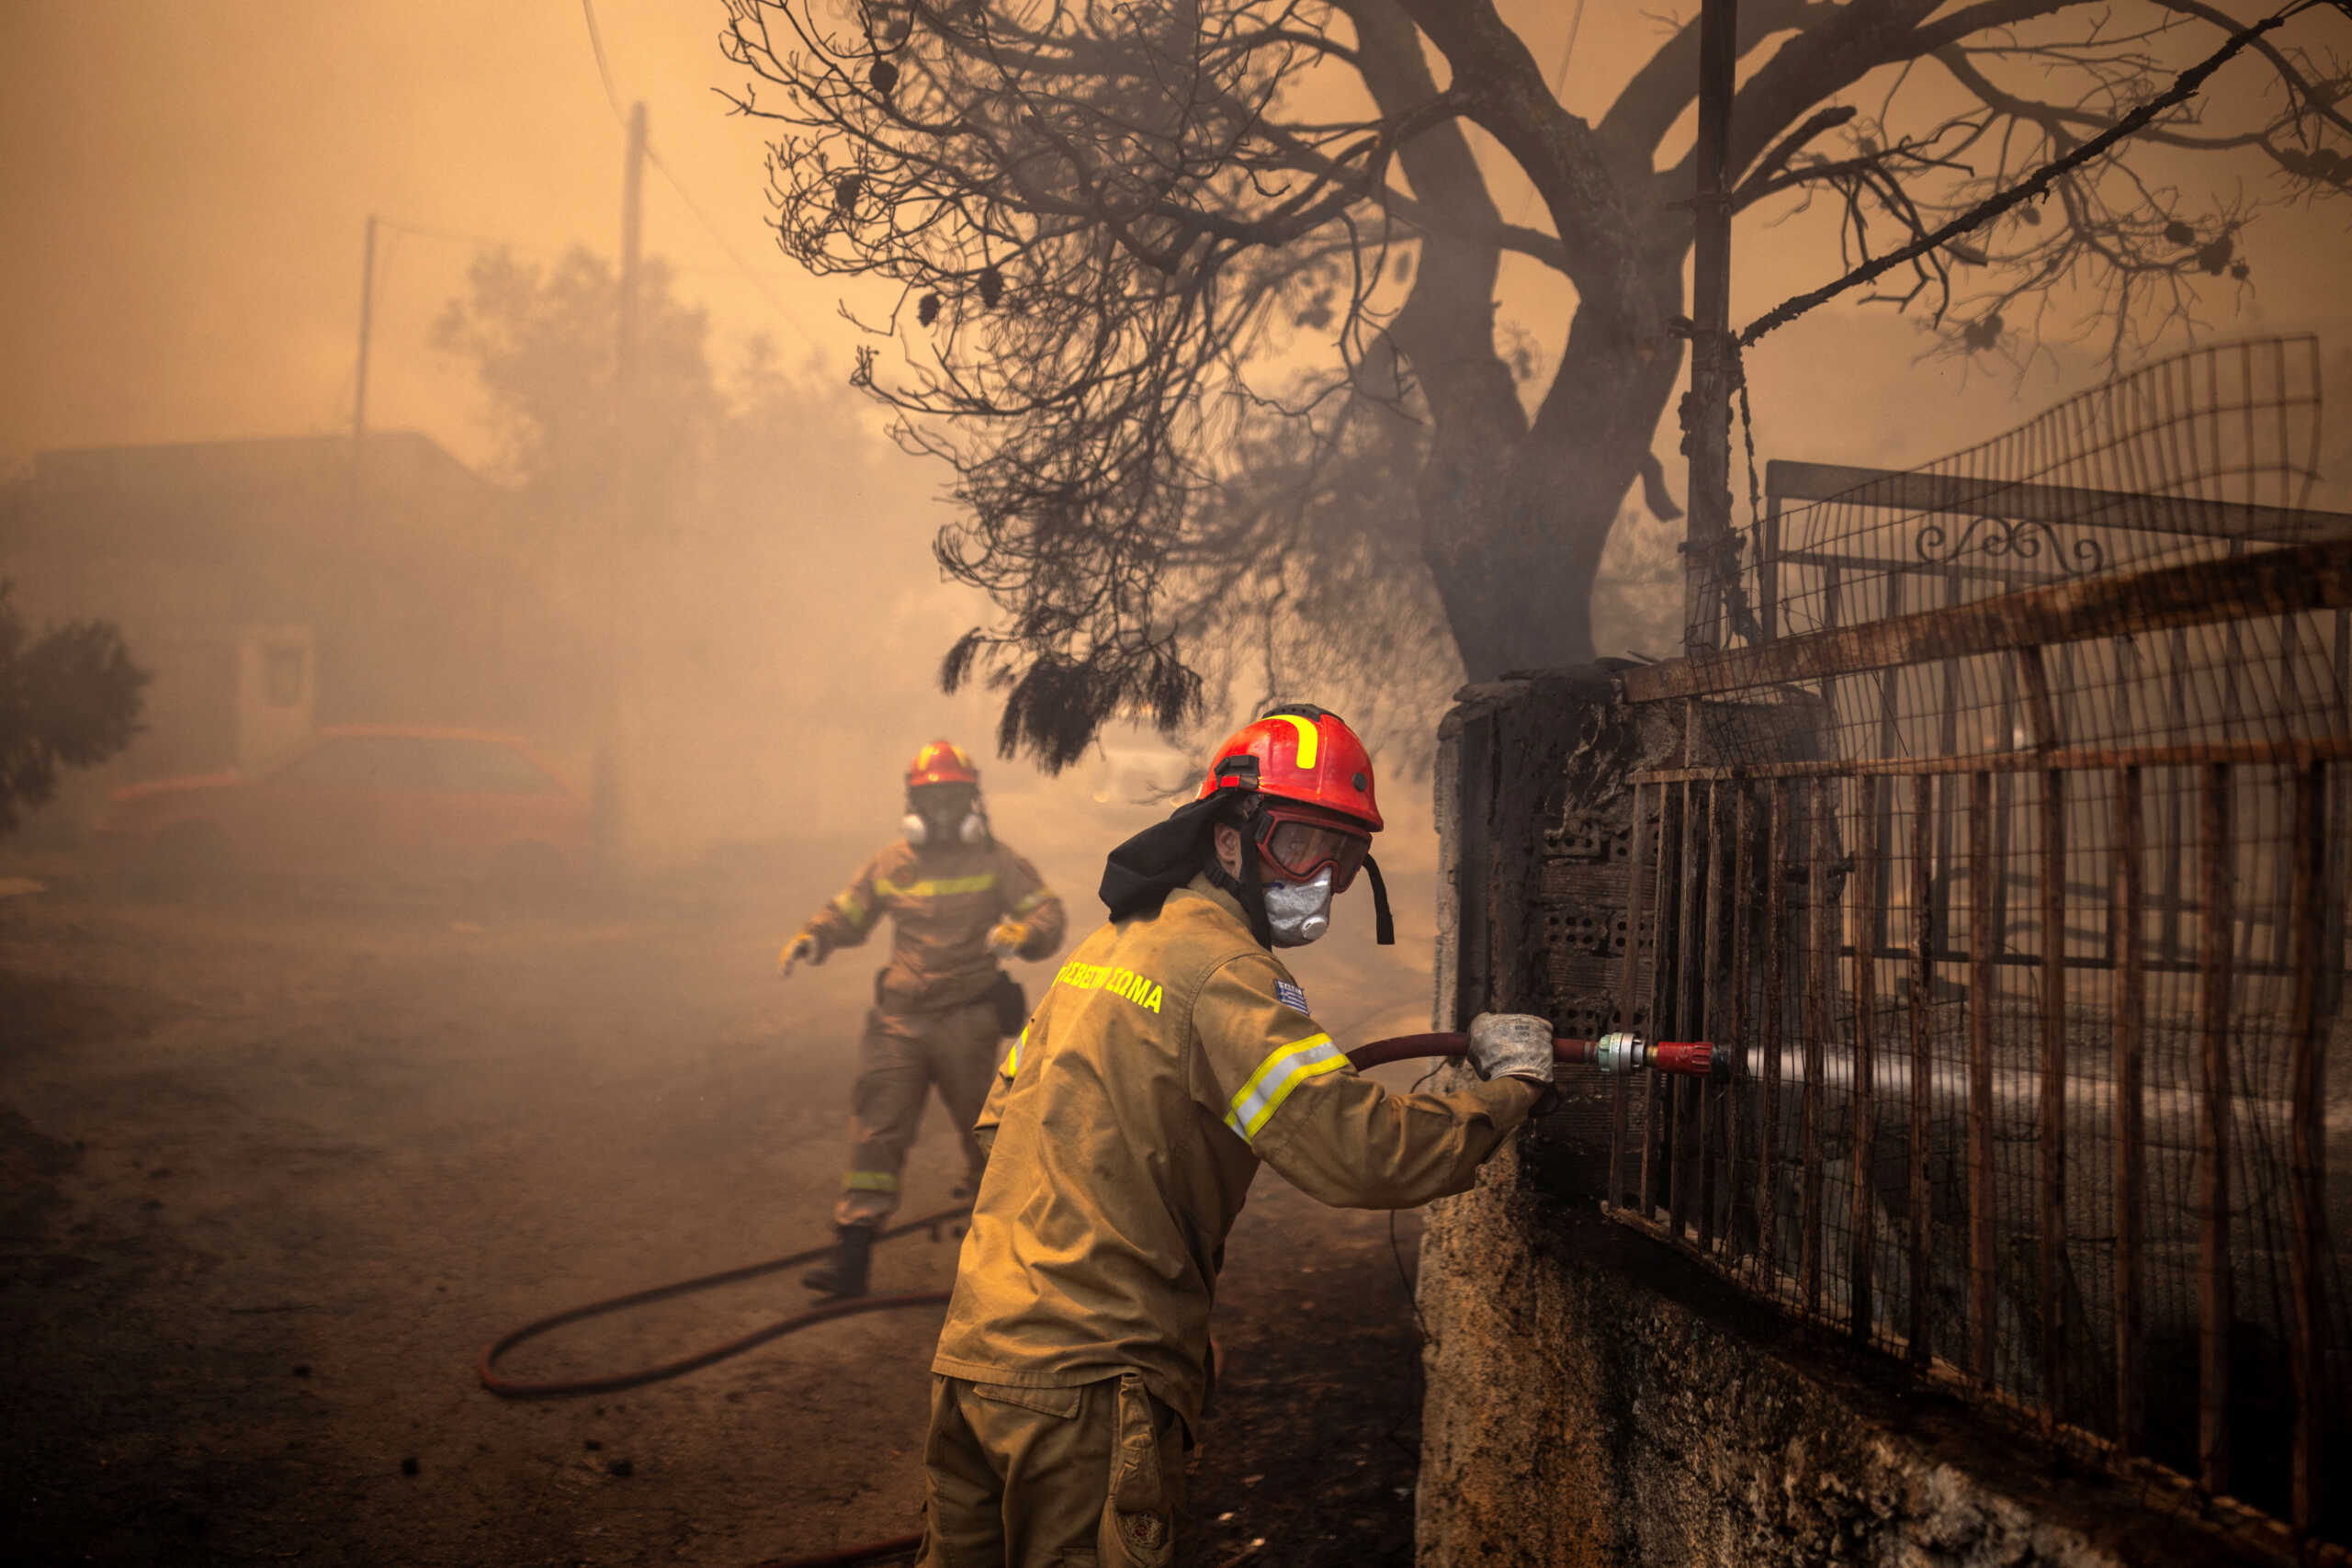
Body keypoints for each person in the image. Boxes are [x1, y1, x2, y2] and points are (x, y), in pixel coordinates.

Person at [916, 704, 1558, 1567]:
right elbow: (1360, 1151)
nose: (1323, 875)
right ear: (1228, 839)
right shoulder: (1232, 976)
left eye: (1348, 853)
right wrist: (1508, 1093)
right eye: (1300, 843)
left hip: (974, 1365)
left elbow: (1001, 1131)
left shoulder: (1103, 952)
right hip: (1089, 1391)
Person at [779, 739, 1067, 1299]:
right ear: (913, 802)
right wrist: (816, 936)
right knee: (876, 1134)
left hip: (968, 1021)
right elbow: (850, 912)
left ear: (972, 802)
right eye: (930, 800)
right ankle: (852, 1253)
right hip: (899, 1024)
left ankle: (1008, 1259)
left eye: (952, 799)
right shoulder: (891, 864)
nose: (940, 812)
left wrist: (1022, 934)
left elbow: (1047, 914)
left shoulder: (996, 861)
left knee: (991, 1139)